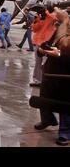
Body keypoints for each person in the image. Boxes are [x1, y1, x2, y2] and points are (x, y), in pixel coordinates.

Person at [33, 8, 70, 146]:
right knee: (45, 98)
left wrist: (58, 54)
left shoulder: (64, 26)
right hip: (51, 70)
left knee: (65, 103)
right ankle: (47, 119)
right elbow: (49, 43)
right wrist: (43, 49)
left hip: (66, 74)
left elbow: (65, 48)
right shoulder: (60, 27)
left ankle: (65, 132)